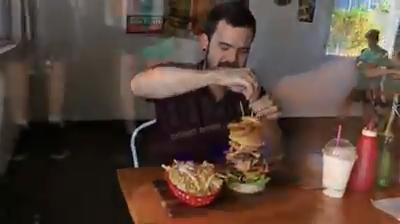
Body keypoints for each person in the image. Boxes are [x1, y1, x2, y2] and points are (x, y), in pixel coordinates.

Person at [130, 2, 281, 165]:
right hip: (168, 177)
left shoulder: (252, 90)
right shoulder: (181, 78)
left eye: (243, 51)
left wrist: (268, 122)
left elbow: (275, 154)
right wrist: (217, 76)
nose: (233, 59)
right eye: (224, 47)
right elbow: (137, 86)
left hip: (224, 179)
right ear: (205, 42)